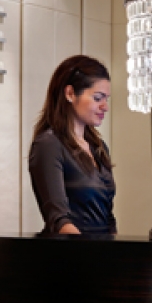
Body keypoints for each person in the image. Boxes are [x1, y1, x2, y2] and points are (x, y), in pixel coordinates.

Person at [28, 55, 116, 235]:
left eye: (106, 99)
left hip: (102, 249)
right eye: (97, 98)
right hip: (70, 250)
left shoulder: (99, 147)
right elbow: (59, 221)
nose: (105, 107)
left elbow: (109, 218)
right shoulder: (49, 145)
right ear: (70, 94)